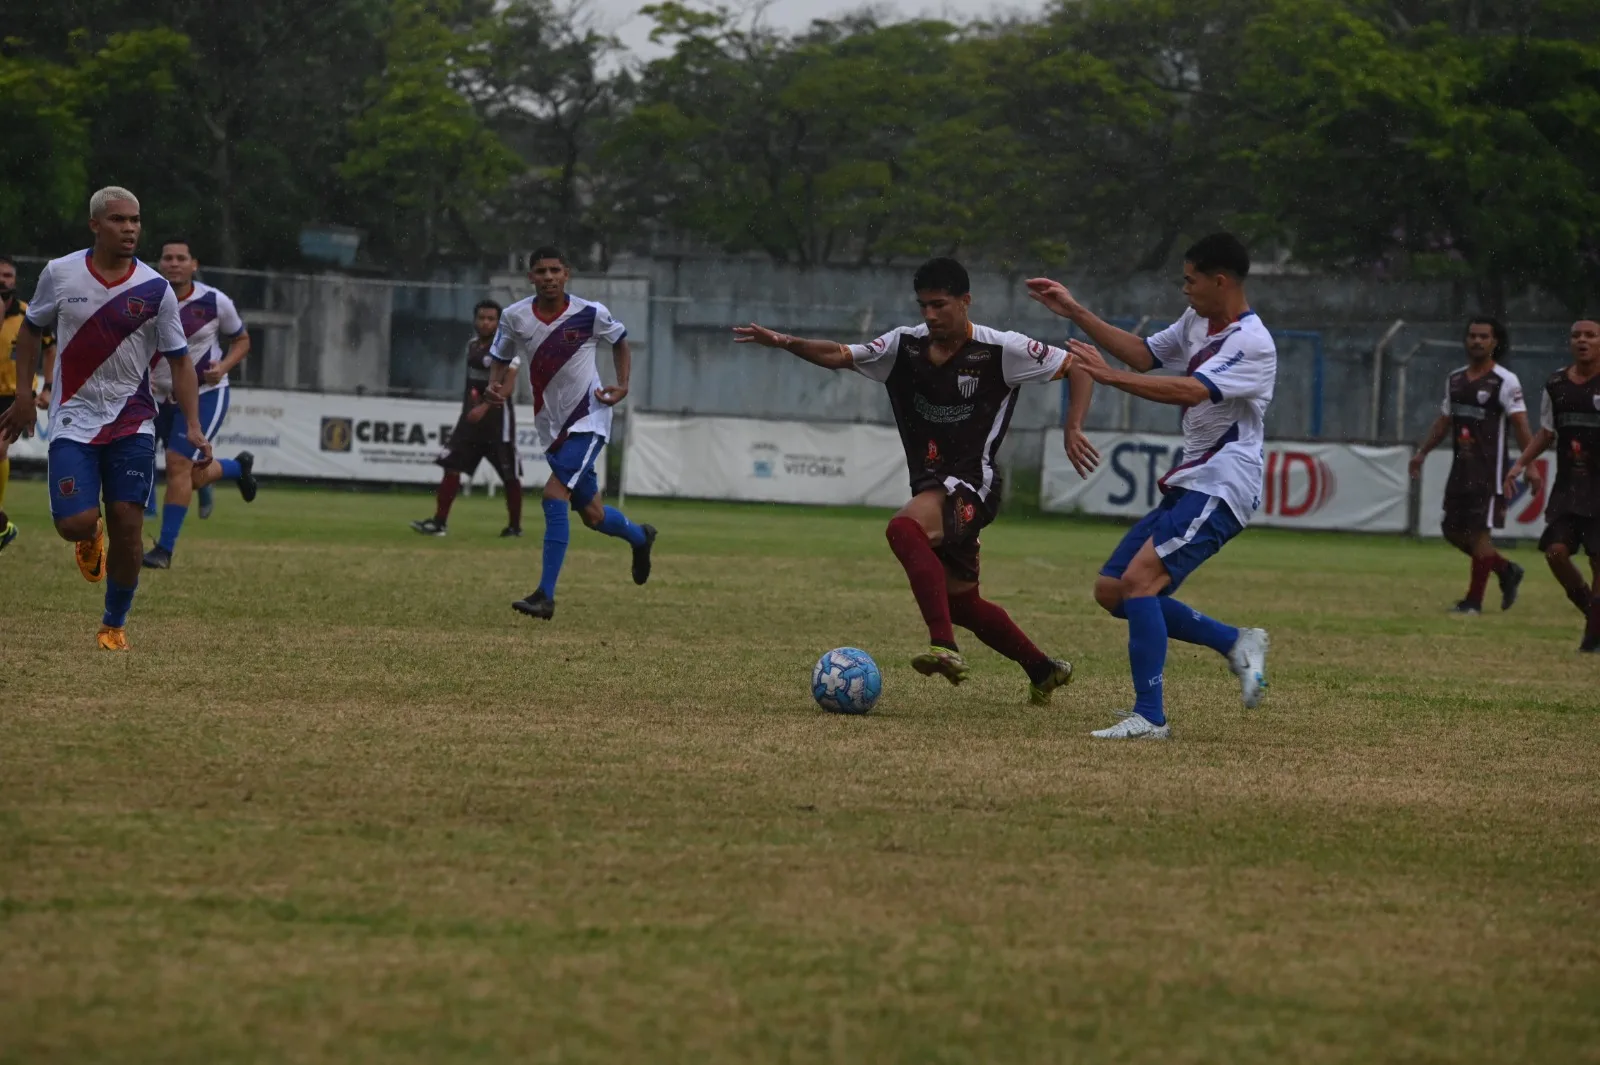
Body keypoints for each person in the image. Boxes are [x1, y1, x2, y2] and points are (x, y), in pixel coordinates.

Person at [734, 256, 1097, 705]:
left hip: (973, 484)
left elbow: (1079, 368)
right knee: (963, 603)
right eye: (923, 305)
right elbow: (841, 356)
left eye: (940, 305)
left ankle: (943, 646)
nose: (929, 315)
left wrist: (1073, 427)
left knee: (903, 529)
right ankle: (1043, 670)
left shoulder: (1002, 350)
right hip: (933, 487)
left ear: (966, 302)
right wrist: (786, 341)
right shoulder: (902, 346)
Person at [1026, 233, 1272, 739]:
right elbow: (1143, 355)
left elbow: (1189, 388)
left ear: (1219, 280)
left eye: (1190, 279)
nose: (1185, 289)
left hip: (1225, 484)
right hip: (1193, 482)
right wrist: (1075, 310)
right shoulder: (1198, 323)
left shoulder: (1253, 343)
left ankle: (1151, 716)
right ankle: (1234, 641)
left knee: (1141, 582)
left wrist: (1109, 379)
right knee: (1114, 591)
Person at [0, 187, 212, 649]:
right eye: (118, 220)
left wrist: (193, 425)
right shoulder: (60, 273)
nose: (130, 228)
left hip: (132, 419)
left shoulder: (155, 289)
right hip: (73, 417)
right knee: (73, 524)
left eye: (135, 220)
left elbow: (180, 361)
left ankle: (114, 624)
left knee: (128, 522)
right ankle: (88, 536)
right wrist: (24, 394)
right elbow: (32, 332)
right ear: (96, 225)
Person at [485, 247, 656, 620]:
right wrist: (494, 386)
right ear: (530, 277)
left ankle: (545, 596)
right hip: (552, 426)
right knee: (593, 515)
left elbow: (621, 341)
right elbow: (499, 357)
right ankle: (641, 537)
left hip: (589, 419)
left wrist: (622, 385)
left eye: (554, 270)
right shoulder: (514, 316)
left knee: (552, 494)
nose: (548, 277)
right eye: (541, 271)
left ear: (567, 274)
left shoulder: (589, 312)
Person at [1407, 318, 1536, 613]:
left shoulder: (1505, 381)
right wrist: (1422, 453)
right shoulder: (1455, 379)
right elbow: (1444, 421)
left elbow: (1521, 424)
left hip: (1490, 472)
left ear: (1494, 342)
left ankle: (1473, 602)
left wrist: (1529, 465)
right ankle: (1505, 570)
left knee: (1479, 534)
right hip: (1461, 469)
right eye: (1472, 336)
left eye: (1483, 337)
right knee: (1451, 529)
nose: (1477, 341)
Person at [142, 238, 257, 569]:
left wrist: (222, 367)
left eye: (181, 258)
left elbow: (242, 340)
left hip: (206, 393)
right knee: (189, 476)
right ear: (160, 263)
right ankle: (236, 468)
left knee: (178, 466)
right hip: (157, 396)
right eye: (168, 258)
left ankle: (163, 550)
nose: (174, 263)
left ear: (194, 265)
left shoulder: (215, 301)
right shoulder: (145, 298)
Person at [1504, 319, 1600, 652]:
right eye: (1577, 336)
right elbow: (1546, 432)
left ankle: (1592, 639)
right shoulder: (1556, 383)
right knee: (1555, 553)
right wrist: (1519, 465)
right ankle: (1593, 612)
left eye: (1590, 335)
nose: (1583, 340)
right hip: (1569, 488)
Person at [411, 300, 524, 537]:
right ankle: (439, 523)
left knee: (509, 475)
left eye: (491, 319)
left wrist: (482, 408)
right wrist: (471, 408)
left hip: (497, 424)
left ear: (498, 322)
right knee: (451, 466)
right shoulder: (471, 346)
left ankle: (514, 527)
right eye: (482, 318)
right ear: (475, 320)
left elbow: (507, 388)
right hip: (470, 424)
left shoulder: (506, 348)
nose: (485, 323)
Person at [0, 255, 56, 552]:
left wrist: (47, 386)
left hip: (14, 396)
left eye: (8, 275)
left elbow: (50, 349)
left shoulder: (29, 314)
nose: (3, 280)